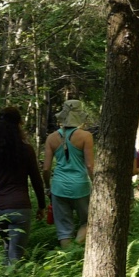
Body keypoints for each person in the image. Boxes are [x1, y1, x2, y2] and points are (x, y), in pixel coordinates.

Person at [0, 107, 46, 263]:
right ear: (19, 124)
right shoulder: (27, 150)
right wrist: (42, 206)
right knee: (15, 256)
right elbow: (36, 180)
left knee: (7, 250)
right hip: (20, 208)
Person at [42, 100, 95, 248]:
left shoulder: (51, 138)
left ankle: (67, 257)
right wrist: (97, 186)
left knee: (64, 230)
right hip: (81, 187)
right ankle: (77, 251)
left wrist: (47, 188)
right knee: (87, 221)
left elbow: (46, 169)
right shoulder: (86, 136)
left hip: (58, 187)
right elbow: (90, 166)